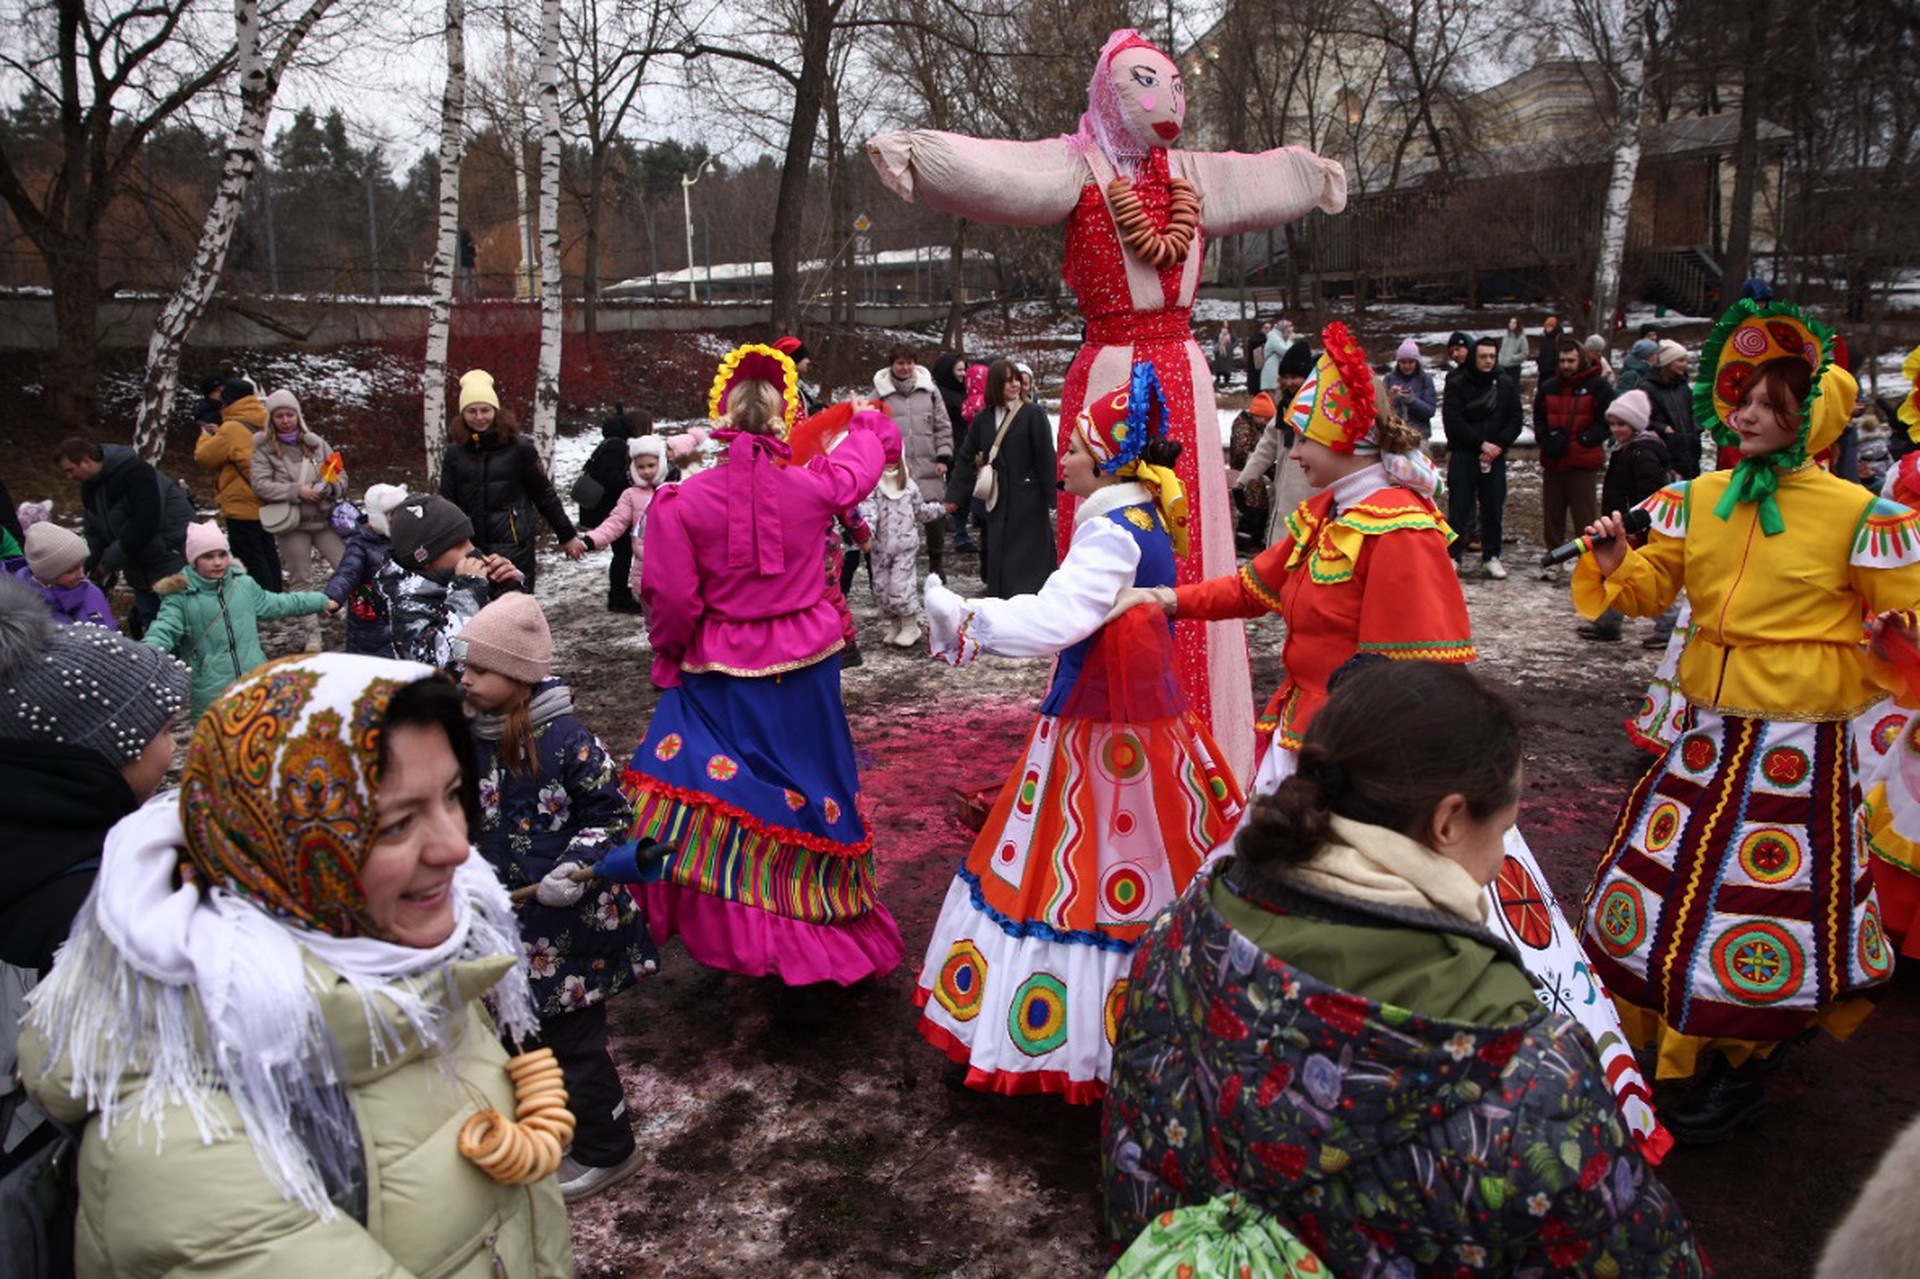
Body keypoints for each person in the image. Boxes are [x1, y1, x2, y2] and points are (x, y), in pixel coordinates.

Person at [1102, 661, 1706, 1275]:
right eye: (1502, 831)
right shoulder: (1523, 1070)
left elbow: (1137, 1159)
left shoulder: (1176, 934)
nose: (1501, 861)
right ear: (1447, 822)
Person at [18, 653, 573, 1274]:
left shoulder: (386, 962)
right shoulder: (190, 1148)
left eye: (450, 796)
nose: (455, 846)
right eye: (394, 825)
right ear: (273, 843)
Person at [1574, 299, 1920, 1144]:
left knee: (1760, 900)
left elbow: (1908, 611)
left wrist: (1897, 636)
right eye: (1742, 396)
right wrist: (1619, 561)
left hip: (1796, 745)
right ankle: (1672, 1042)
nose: (1749, 414)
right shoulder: (1702, 494)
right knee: (1664, 885)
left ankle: (1740, 1061)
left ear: (1812, 417)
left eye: (1772, 402)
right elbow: (1656, 588)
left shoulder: (1860, 514)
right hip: (1706, 731)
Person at [918, 366, 1245, 1100]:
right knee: (1145, 865)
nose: (1060, 459)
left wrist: (968, 617)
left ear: (1102, 465)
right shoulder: (1136, 520)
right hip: (1136, 726)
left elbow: (1058, 621)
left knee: (1087, 874)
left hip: (1104, 737)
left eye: (1072, 450)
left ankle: (1094, 1041)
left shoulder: (1111, 533)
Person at [622, 344, 905, 989]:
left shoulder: (681, 502)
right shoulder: (814, 486)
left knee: (715, 787)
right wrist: (863, 422)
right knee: (813, 789)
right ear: (785, 417)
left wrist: (672, 653)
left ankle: (738, 912)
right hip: (807, 670)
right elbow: (859, 469)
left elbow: (670, 600)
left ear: (720, 416)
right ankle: (818, 917)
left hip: (719, 673)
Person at [1118, 324, 1472, 777]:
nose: (1296, 452)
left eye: (1303, 439)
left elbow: (1414, 673)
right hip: (1309, 730)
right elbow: (1251, 589)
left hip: (1356, 751)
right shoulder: (1329, 511)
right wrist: (1164, 599)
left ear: (1345, 441)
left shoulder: (1398, 528)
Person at [455, 594, 656, 1202]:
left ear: (518, 678)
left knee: (574, 1045)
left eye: (478, 671)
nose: (463, 680)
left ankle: (609, 1150)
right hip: (506, 923)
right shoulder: (471, 734)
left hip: (572, 930)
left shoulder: (567, 738)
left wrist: (577, 866)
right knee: (522, 1036)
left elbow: (613, 814)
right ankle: (553, 1126)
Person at [0, 577, 187, 974]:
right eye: (165, 731)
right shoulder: (94, 914)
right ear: (97, 753)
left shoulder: (40, 844)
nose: (173, 748)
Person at [143, 521, 334, 718]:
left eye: (222, 555)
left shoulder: (243, 585)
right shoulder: (181, 596)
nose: (217, 562)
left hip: (255, 681)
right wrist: (144, 654)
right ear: (194, 561)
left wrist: (318, 600)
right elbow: (164, 628)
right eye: (208, 557)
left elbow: (278, 603)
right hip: (211, 691)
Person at [437, 369, 586, 596]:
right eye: (472, 411)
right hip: (470, 549)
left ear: (495, 412)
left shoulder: (520, 448)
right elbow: (446, 504)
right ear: (462, 414)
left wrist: (567, 535)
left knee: (515, 610)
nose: (479, 417)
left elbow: (544, 494)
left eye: (485, 410)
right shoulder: (454, 453)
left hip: (513, 547)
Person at [54, 436, 192, 633]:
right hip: (137, 568)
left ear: (86, 461)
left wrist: (109, 561)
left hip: (169, 559)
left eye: (70, 470)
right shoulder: (90, 490)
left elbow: (145, 522)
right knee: (152, 627)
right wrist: (83, 565)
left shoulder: (136, 473)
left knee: (179, 625)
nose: (69, 477)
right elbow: (94, 534)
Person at [946, 358, 1058, 598]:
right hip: (998, 500)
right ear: (995, 384)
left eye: (1016, 378)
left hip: (1028, 500)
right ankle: (1003, 601)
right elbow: (965, 457)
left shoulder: (1032, 414)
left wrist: (1054, 496)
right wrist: (955, 495)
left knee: (1030, 559)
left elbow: (1046, 457)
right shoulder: (983, 419)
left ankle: (1034, 604)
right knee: (1000, 554)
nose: (1014, 385)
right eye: (1007, 380)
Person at [250, 388, 347, 651]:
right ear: (272, 419)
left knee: (347, 566)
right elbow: (259, 484)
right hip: (292, 525)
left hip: (324, 520)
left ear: (298, 416)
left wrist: (328, 488)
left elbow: (339, 473)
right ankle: (311, 634)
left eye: (289, 414)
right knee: (301, 580)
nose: (285, 420)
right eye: (279, 415)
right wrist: (296, 491)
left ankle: (356, 617)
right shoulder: (264, 450)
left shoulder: (316, 444)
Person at [384, 493, 522, 671]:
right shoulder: (407, 606)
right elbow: (443, 664)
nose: (472, 550)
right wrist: (468, 593)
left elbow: (518, 638)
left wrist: (507, 589)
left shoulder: (468, 582)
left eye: (470, 540)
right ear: (424, 560)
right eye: (458, 545)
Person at [1575, 389, 1670, 643]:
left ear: (1636, 424)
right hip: (1620, 522)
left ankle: (1668, 621)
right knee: (1614, 572)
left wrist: (1633, 525)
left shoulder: (1643, 453)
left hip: (1632, 526)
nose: (1616, 429)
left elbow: (1649, 495)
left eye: (1622, 424)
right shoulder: (1627, 449)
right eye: (1613, 424)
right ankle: (1608, 623)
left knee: (1632, 574)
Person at [1534, 336, 1615, 581]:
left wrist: (1587, 440)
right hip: (1554, 460)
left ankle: (1589, 563)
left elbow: (1608, 419)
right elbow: (1538, 418)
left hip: (1582, 461)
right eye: (1562, 361)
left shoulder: (1598, 386)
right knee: (1553, 515)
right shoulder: (1548, 387)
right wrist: (1545, 440)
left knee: (1586, 517)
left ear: (1580, 359)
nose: (1566, 365)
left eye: (1571, 360)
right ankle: (1554, 559)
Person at [1442, 337, 1523, 579]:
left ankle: (1491, 556)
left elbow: (1515, 418)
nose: (1488, 361)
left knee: (1493, 507)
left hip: (1495, 455)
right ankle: (1453, 555)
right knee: (1458, 506)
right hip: (1465, 452)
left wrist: (1498, 444)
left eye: (1492, 356)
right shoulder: (1457, 382)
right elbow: (1452, 419)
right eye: (1483, 356)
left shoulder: (1505, 383)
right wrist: (1480, 442)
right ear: (1474, 356)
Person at [194, 376, 283, 592]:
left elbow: (204, 457)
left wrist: (206, 436)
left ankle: (263, 599)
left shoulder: (232, 427)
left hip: (241, 501)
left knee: (249, 555)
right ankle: (276, 594)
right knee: (267, 549)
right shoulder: (265, 422)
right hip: (265, 497)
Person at [873, 343, 951, 576]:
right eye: (900, 363)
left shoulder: (930, 391)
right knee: (898, 517)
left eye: (909, 362)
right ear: (892, 365)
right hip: (895, 466)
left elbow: (942, 425)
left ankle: (936, 562)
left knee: (933, 512)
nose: (905, 367)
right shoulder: (879, 393)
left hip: (928, 461)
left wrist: (943, 456)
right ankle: (901, 565)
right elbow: (869, 427)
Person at [1235, 342, 1319, 550]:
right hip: (1285, 485)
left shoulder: (1317, 408)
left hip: (1311, 486)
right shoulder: (1283, 407)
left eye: (1296, 377)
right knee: (1282, 534)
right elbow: (1266, 447)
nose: (1291, 382)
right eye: (1287, 377)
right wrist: (1244, 479)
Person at [579, 436, 674, 619]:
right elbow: (615, 523)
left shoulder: (676, 490)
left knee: (676, 620)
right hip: (644, 573)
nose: (646, 471)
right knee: (653, 625)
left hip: (675, 569)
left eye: (651, 465)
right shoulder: (630, 495)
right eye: (640, 467)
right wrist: (590, 540)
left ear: (661, 463)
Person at [324, 483, 409, 657]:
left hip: (400, 616)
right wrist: (333, 596)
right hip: (370, 625)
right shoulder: (360, 546)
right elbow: (347, 572)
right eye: (391, 514)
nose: (398, 519)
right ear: (378, 516)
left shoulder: (405, 539)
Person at [576, 404, 645, 613]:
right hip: (608, 508)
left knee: (622, 553)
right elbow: (609, 477)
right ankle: (618, 596)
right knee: (623, 553)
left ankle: (620, 593)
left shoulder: (609, 443)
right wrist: (632, 478)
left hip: (604, 507)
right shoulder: (616, 446)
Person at [14, 521, 116, 628]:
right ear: (48, 575)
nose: (82, 575)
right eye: (71, 571)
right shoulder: (24, 611)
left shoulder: (91, 592)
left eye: (82, 565)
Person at [932, 353, 976, 552]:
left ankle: (963, 527)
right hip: (950, 449)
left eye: (965, 369)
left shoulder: (967, 391)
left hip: (967, 447)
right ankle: (959, 533)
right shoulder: (939, 394)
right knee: (957, 491)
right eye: (959, 369)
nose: (964, 374)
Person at [1643, 340, 1700, 480]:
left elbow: (1692, 412)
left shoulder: (1683, 387)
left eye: (1686, 360)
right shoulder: (1648, 388)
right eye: (1680, 360)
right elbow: (1640, 419)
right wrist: (1662, 428)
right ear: (1668, 362)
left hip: (1690, 454)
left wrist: (1696, 429)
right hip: (1664, 455)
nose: (1685, 364)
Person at [1225, 393, 1275, 549]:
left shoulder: (1252, 427)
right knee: (1251, 509)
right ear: (1256, 415)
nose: (1265, 423)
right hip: (1243, 475)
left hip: (1251, 475)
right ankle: (1245, 542)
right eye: (1264, 419)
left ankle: (1254, 539)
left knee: (1260, 507)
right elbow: (1242, 453)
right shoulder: (1244, 429)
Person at [1383, 337, 1437, 441]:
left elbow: (1430, 411)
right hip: (1395, 436)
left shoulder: (1425, 379)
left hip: (1419, 436)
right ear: (1398, 362)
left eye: (1411, 362)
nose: (1407, 366)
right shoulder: (1389, 379)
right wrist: (1391, 397)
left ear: (1417, 362)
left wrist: (1412, 401)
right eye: (1403, 362)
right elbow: (1382, 411)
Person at [774, 336, 826, 415]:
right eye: (804, 357)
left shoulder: (791, 386)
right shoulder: (780, 390)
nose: (808, 361)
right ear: (793, 360)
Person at [1211, 321, 1235, 389]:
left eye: (1227, 323)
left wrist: (1231, 347)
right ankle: (1218, 378)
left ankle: (1227, 379)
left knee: (1227, 367)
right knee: (1218, 366)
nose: (1225, 324)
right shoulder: (1219, 331)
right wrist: (1217, 345)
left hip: (1228, 353)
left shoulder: (1231, 332)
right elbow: (1215, 340)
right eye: (1224, 323)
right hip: (1219, 352)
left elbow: (1235, 341)